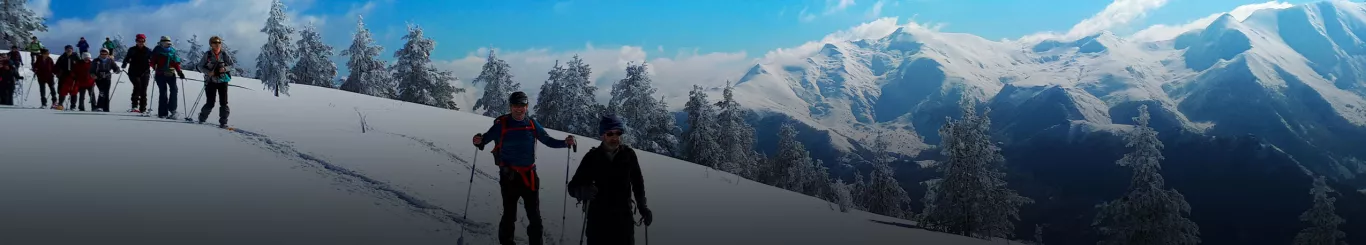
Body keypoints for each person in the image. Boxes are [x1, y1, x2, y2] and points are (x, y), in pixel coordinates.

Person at [471, 91, 578, 245]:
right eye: (516, 105)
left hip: (530, 177)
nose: (519, 109)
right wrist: (477, 140)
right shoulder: (502, 125)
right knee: (509, 215)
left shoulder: (532, 124)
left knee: (534, 215)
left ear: (527, 107)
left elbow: (547, 140)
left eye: (522, 105)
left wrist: (564, 143)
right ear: (510, 106)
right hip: (509, 177)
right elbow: (483, 140)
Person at [567, 114, 654, 245]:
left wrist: (643, 207)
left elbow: (638, 184)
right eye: (610, 133)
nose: (614, 137)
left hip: (623, 221)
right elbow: (572, 187)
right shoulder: (592, 158)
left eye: (618, 133)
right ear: (602, 135)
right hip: (598, 223)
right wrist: (583, 191)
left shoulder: (628, 155)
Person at [197, 36, 234, 127]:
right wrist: (208, 72)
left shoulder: (224, 54)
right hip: (210, 81)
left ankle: (223, 122)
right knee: (210, 102)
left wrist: (225, 68)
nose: (217, 45)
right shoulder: (207, 55)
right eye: (215, 43)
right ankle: (202, 118)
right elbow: (200, 66)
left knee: (224, 102)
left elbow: (232, 65)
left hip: (223, 81)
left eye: (219, 43)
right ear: (211, 44)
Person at [150, 35, 186, 118]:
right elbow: (152, 61)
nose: (167, 44)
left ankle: (172, 109)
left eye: (168, 43)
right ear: (161, 43)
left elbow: (176, 63)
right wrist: (154, 66)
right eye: (165, 42)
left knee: (174, 90)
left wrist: (179, 72)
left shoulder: (172, 51)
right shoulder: (157, 50)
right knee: (163, 92)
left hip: (171, 73)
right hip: (160, 74)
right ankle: (163, 113)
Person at [122, 34, 153, 113]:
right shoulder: (132, 49)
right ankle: (135, 106)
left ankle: (143, 108)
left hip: (145, 72)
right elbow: (127, 57)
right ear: (136, 41)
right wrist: (124, 63)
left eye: (142, 41)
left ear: (144, 41)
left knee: (144, 90)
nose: (141, 42)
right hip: (133, 72)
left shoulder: (148, 50)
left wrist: (155, 66)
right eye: (139, 41)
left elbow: (152, 60)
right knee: (138, 86)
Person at [54, 45, 77, 110]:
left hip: (73, 77)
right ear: (65, 50)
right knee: (61, 91)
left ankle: (73, 106)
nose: (69, 50)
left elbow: (79, 66)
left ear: (72, 50)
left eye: (70, 49)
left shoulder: (76, 57)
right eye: (67, 49)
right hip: (63, 76)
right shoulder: (62, 57)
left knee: (73, 91)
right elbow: (57, 66)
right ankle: (60, 104)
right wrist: (57, 73)